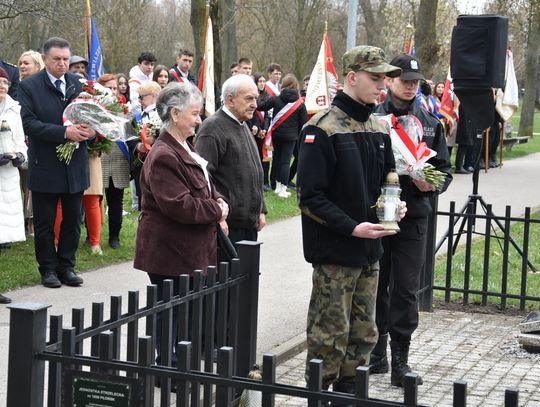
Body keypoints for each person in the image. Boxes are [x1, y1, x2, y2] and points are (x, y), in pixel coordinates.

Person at [297, 45, 403, 399]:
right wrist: (352, 226)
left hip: (370, 249)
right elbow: (310, 197)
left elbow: (386, 180)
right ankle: (318, 397)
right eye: (376, 79)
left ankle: (348, 397)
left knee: (363, 336)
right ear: (352, 77)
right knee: (329, 336)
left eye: (386, 80)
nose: (383, 87)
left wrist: (394, 207)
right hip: (336, 251)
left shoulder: (376, 125)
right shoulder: (321, 128)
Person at [371, 53, 452, 387]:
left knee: (405, 289)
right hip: (377, 215)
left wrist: (429, 182)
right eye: (404, 80)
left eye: (414, 82)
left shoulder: (431, 123)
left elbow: (444, 172)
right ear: (389, 80)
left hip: (414, 217)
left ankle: (400, 360)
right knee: (376, 286)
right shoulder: (373, 118)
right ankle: (375, 353)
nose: (409, 86)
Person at [134, 82, 228, 364]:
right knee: (170, 310)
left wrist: (219, 202)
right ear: (175, 114)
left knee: (179, 309)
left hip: (185, 249)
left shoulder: (184, 147)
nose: (199, 120)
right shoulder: (164, 154)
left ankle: (174, 361)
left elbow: (206, 186)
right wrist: (217, 209)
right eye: (195, 114)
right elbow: (179, 205)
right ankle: (167, 364)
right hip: (169, 250)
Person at [18, 37, 94, 288]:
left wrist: (92, 130)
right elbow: (29, 124)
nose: (63, 64)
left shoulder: (77, 83)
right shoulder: (30, 86)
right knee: (45, 223)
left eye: (65, 59)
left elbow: (92, 114)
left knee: (73, 220)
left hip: (74, 164)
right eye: (56, 60)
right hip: (46, 164)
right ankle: (48, 269)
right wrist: (64, 133)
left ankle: (67, 266)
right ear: (45, 59)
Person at [195, 74, 267, 245]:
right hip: (228, 227)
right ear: (230, 99)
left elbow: (254, 171)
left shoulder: (242, 124)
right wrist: (217, 217)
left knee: (247, 272)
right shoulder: (213, 128)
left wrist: (261, 209)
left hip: (248, 225)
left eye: (255, 98)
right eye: (249, 98)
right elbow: (201, 177)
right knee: (228, 272)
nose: (255, 105)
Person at [0, 66, 27, 304]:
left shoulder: (13, 110)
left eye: (5, 83)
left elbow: (20, 141)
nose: (2, 86)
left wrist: (20, 155)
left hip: (7, 177)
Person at [257, 74, 307, 198]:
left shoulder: (276, 99)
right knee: (285, 162)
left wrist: (254, 96)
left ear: (283, 85)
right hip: (291, 137)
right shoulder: (300, 103)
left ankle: (277, 187)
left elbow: (260, 106)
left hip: (276, 135)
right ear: (296, 86)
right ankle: (282, 189)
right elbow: (303, 124)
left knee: (277, 160)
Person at [98, 74, 131, 249]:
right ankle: (92, 235)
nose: (112, 91)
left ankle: (114, 237)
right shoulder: (93, 107)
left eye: (114, 88)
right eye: (108, 88)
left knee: (116, 199)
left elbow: (130, 133)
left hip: (118, 157)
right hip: (99, 156)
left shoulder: (123, 108)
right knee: (95, 199)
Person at [18, 50, 44, 237]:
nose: (21, 66)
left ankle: (33, 223)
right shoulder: (15, 87)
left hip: (37, 140)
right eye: (20, 63)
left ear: (38, 66)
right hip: (17, 141)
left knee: (33, 186)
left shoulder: (42, 89)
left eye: (26, 63)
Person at [127, 80, 161, 211]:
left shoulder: (164, 115)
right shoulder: (137, 118)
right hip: (141, 163)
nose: (139, 101)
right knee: (143, 199)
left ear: (153, 96)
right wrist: (138, 146)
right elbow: (130, 139)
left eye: (141, 97)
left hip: (159, 161)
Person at [249, 73, 271, 191]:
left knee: (265, 157)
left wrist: (265, 129)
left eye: (264, 81)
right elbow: (251, 115)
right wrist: (256, 127)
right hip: (254, 130)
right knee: (255, 157)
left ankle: (265, 182)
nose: (262, 84)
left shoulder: (268, 97)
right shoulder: (252, 96)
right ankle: (256, 182)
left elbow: (268, 115)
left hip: (263, 131)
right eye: (260, 81)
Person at [129, 51, 156, 118]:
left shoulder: (153, 80)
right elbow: (135, 106)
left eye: (152, 64)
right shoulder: (134, 83)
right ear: (139, 65)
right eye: (146, 64)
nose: (149, 67)